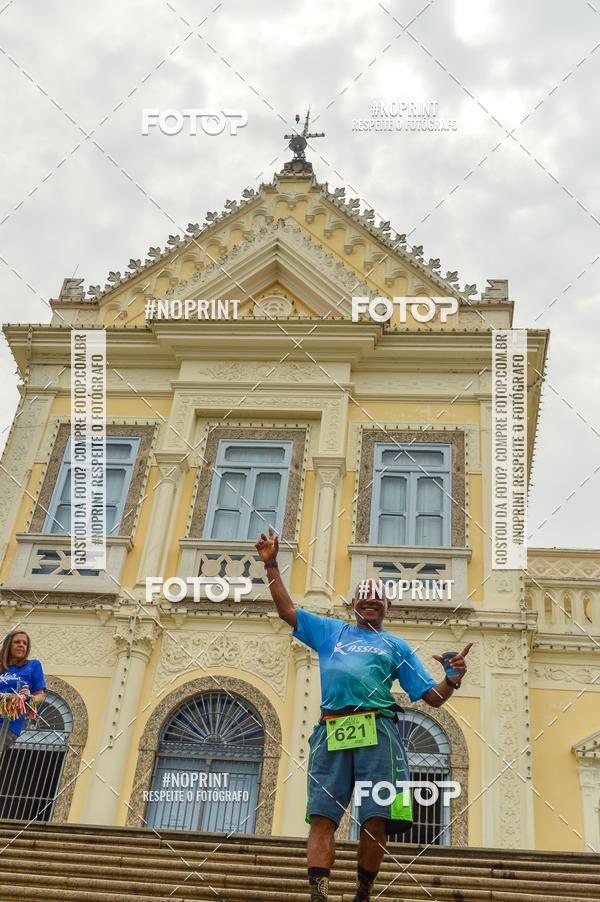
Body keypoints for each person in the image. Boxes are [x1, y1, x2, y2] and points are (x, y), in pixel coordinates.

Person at [255, 527, 472, 902]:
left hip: (380, 730)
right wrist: (272, 563)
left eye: (377, 601)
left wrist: (451, 680)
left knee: (376, 819)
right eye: (364, 599)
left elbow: (432, 699)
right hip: (334, 729)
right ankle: (319, 894)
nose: (370, 604)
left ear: (389, 608)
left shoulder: (395, 646)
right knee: (322, 817)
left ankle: (363, 891)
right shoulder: (329, 632)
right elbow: (286, 610)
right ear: (353, 604)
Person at [0, 630, 46, 751]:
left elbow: (40, 697)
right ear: (8, 645)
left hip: (9, 723)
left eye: (25, 643)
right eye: (17, 642)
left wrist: (29, 698)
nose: (22, 645)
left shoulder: (33, 665)